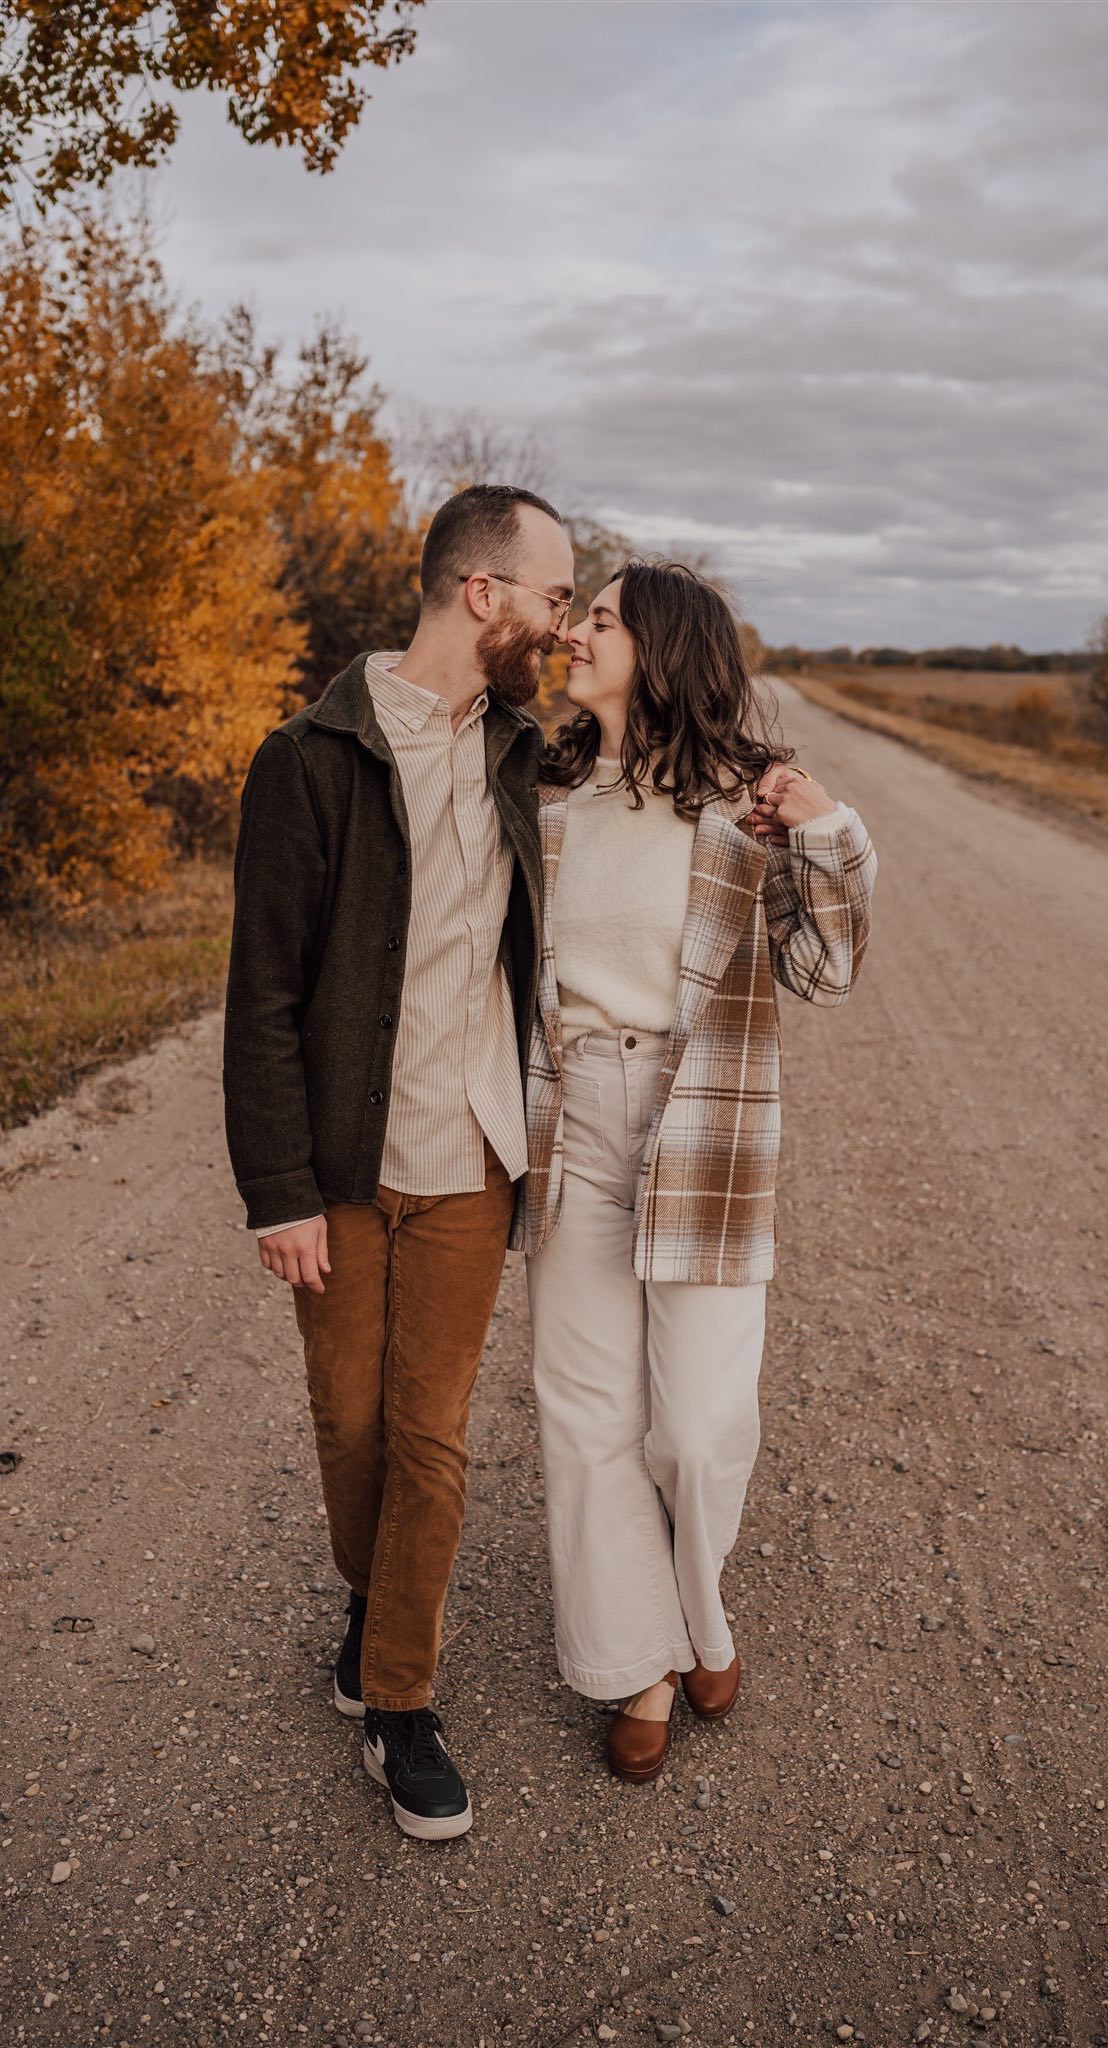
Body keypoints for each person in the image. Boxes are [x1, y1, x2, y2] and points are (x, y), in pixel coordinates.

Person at [223, 484, 575, 1839]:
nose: (555, 621)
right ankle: (373, 1607)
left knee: (429, 1441)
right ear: (480, 595)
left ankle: (401, 1705)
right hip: (345, 1165)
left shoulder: (523, 753)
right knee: (352, 1426)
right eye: (548, 595)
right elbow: (262, 995)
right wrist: (280, 1190)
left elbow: (668, 755)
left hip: (474, 1157)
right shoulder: (308, 759)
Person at [510, 560, 877, 1782]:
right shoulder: (544, 785)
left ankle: (701, 1616)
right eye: (578, 615)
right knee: (585, 1415)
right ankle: (641, 1667)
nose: (575, 633)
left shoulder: (748, 803)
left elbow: (826, 974)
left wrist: (827, 832)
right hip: (572, 1120)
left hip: (699, 1127)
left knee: (699, 1425)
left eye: (600, 619)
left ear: (660, 647)